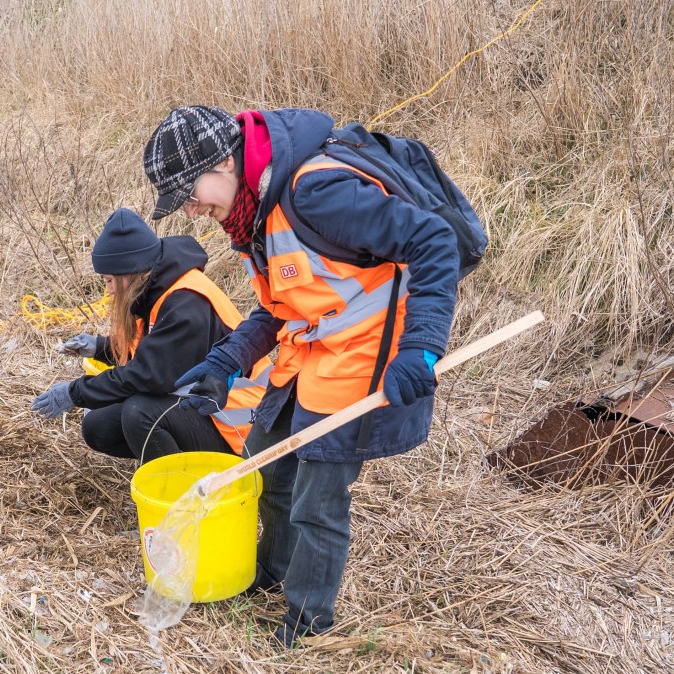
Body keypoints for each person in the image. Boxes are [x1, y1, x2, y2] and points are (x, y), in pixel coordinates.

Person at [143, 105, 460, 646]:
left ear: (224, 162)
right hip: (308, 355)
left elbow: (434, 242)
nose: (193, 211)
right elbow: (284, 306)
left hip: (365, 357)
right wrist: (227, 359)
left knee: (318, 498)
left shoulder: (317, 193)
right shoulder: (254, 213)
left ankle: (308, 623)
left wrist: (423, 347)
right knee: (264, 468)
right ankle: (271, 573)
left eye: (191, 195)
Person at [31, 208, 267, 462]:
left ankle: (176, 489)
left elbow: (146, 375)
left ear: (131, 273)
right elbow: (156, 353)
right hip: (204, 405)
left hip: (240, 427)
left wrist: (74, 392)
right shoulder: (156, 288)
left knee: (140, 412)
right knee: (98, 427)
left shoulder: (186, 304)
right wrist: (100, 348)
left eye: (110, 280)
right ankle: (172, 463)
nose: (108, 290)